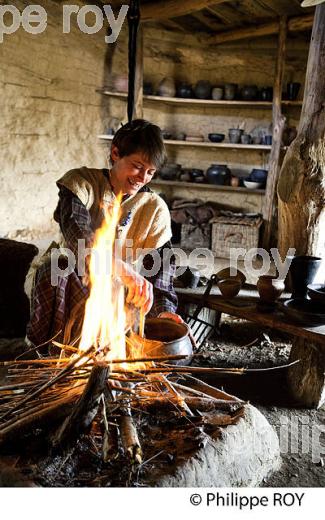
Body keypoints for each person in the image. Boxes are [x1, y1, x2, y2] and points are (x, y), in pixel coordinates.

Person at [27, 119, 182, 348]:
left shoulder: (154, 207)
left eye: (150, 172)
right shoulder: (81, 183)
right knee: (56, 269)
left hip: (119, 291)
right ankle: (47, 354)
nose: (143, 178)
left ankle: (104, 355)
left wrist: (164, 312)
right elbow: (79, 239)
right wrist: (121, 268)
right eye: (138, 166)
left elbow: (160, 269)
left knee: (133, 298)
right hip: (70, 280)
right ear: (116, 153)